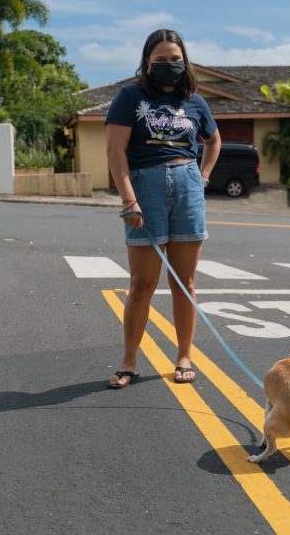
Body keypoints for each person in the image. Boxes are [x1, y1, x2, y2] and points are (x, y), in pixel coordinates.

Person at [105, 29, 221, 389]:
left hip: (187, 187)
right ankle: (129, 361)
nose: (169, 65)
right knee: (142, 284)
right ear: (147, 63)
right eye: (161, 60)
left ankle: (184, 355)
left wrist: (202, 176)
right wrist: (129, 199)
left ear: (184, 60)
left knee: (184, 283)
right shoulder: (130, 97)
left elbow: (213, 140)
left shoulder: (196, 102)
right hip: (146, 189)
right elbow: (115, 152)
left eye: (175, 59)